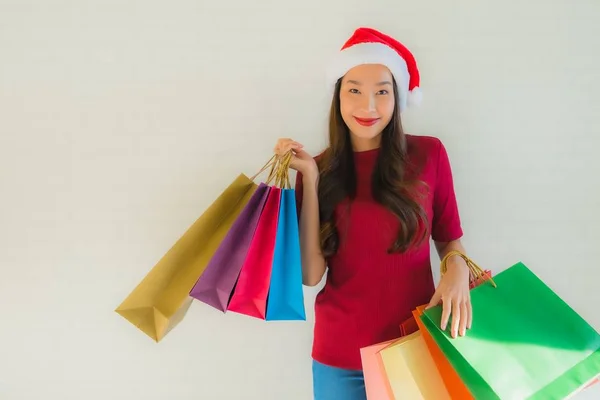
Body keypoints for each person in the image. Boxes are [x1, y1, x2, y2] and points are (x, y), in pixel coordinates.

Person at [273, 27, 473, 400]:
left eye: (382, 91)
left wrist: (457, 269)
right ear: (338, 96)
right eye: (354, 90)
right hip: (338, 358)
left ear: (397, 98)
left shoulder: (429, 155)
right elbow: (311, 275)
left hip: (415, 347)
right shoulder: (317, 170)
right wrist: (312, 180)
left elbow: (448, 238)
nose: (368, 106)